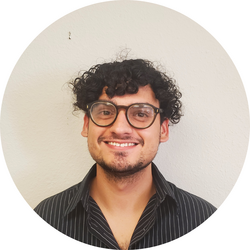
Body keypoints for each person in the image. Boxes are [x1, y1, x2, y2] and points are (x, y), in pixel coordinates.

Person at [34, 58, 216, 250]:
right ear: (87, 125)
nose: (120, 129)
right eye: (105, 112)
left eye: (140, 114)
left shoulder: (205, 221)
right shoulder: (45, 219)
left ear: (163, 130)